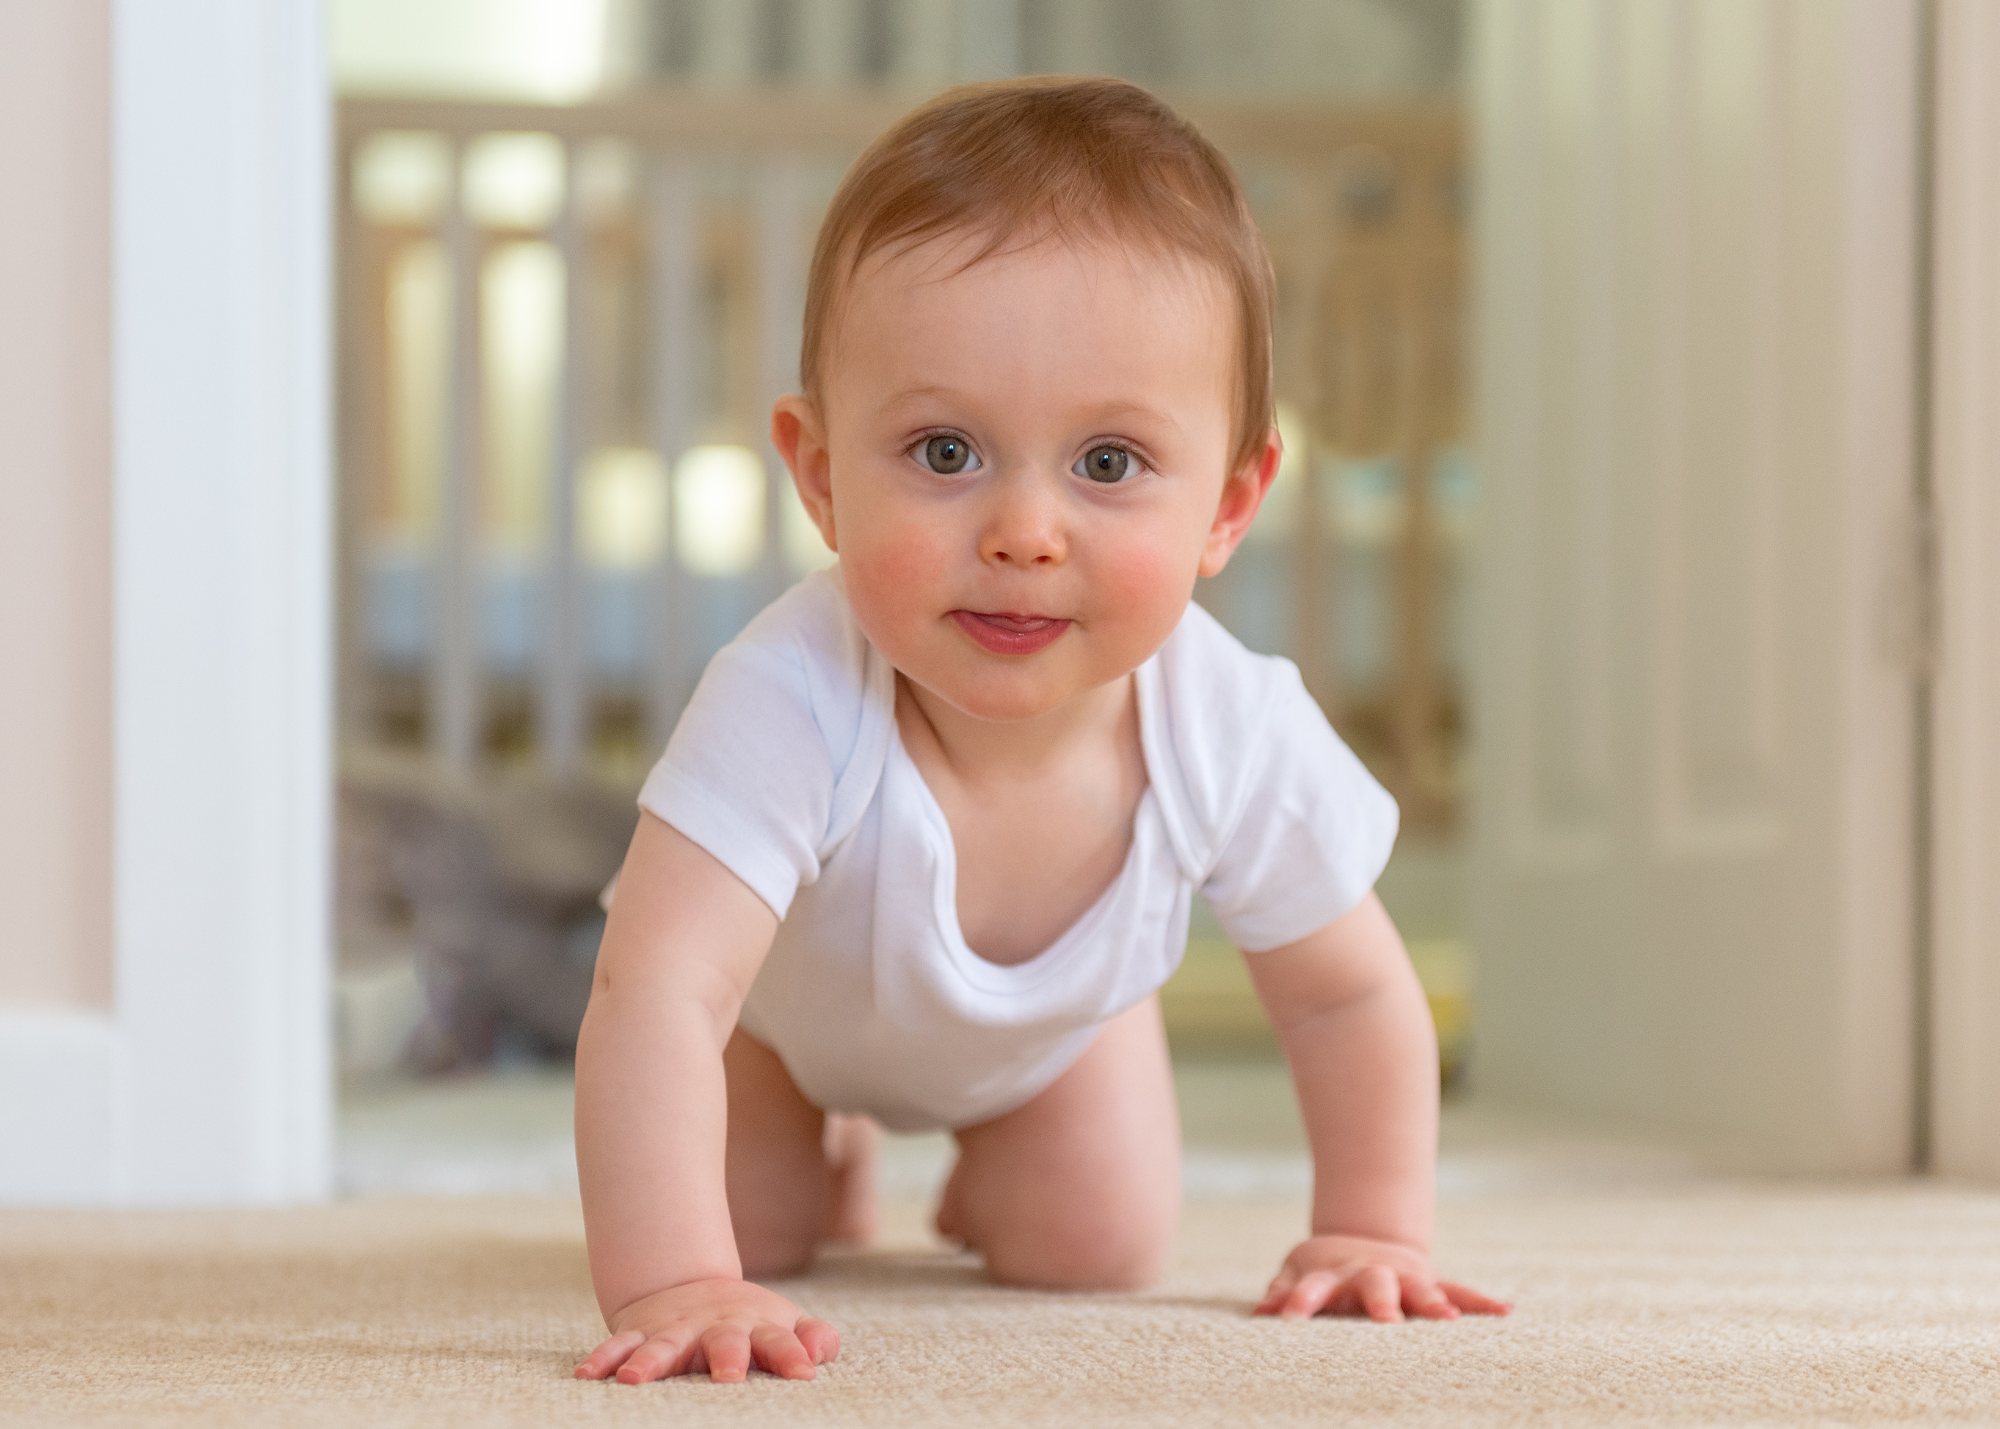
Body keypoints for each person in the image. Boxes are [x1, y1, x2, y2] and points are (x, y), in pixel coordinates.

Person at [572, 76, 1509, 1387]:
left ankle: (1001, 1151)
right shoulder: (789, 691)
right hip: (778, 1030)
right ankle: (824, 1154)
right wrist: (677, 1279)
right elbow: (658, 989)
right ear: (824, 474)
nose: (1024, 530)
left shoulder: (1226, 724)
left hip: (1050, 1041)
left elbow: (1349, 993)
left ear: (1230, 507)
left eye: (1109, 464)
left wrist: (1370, 1228)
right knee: (756, 1231)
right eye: (946, 452)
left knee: (1095, 1243)